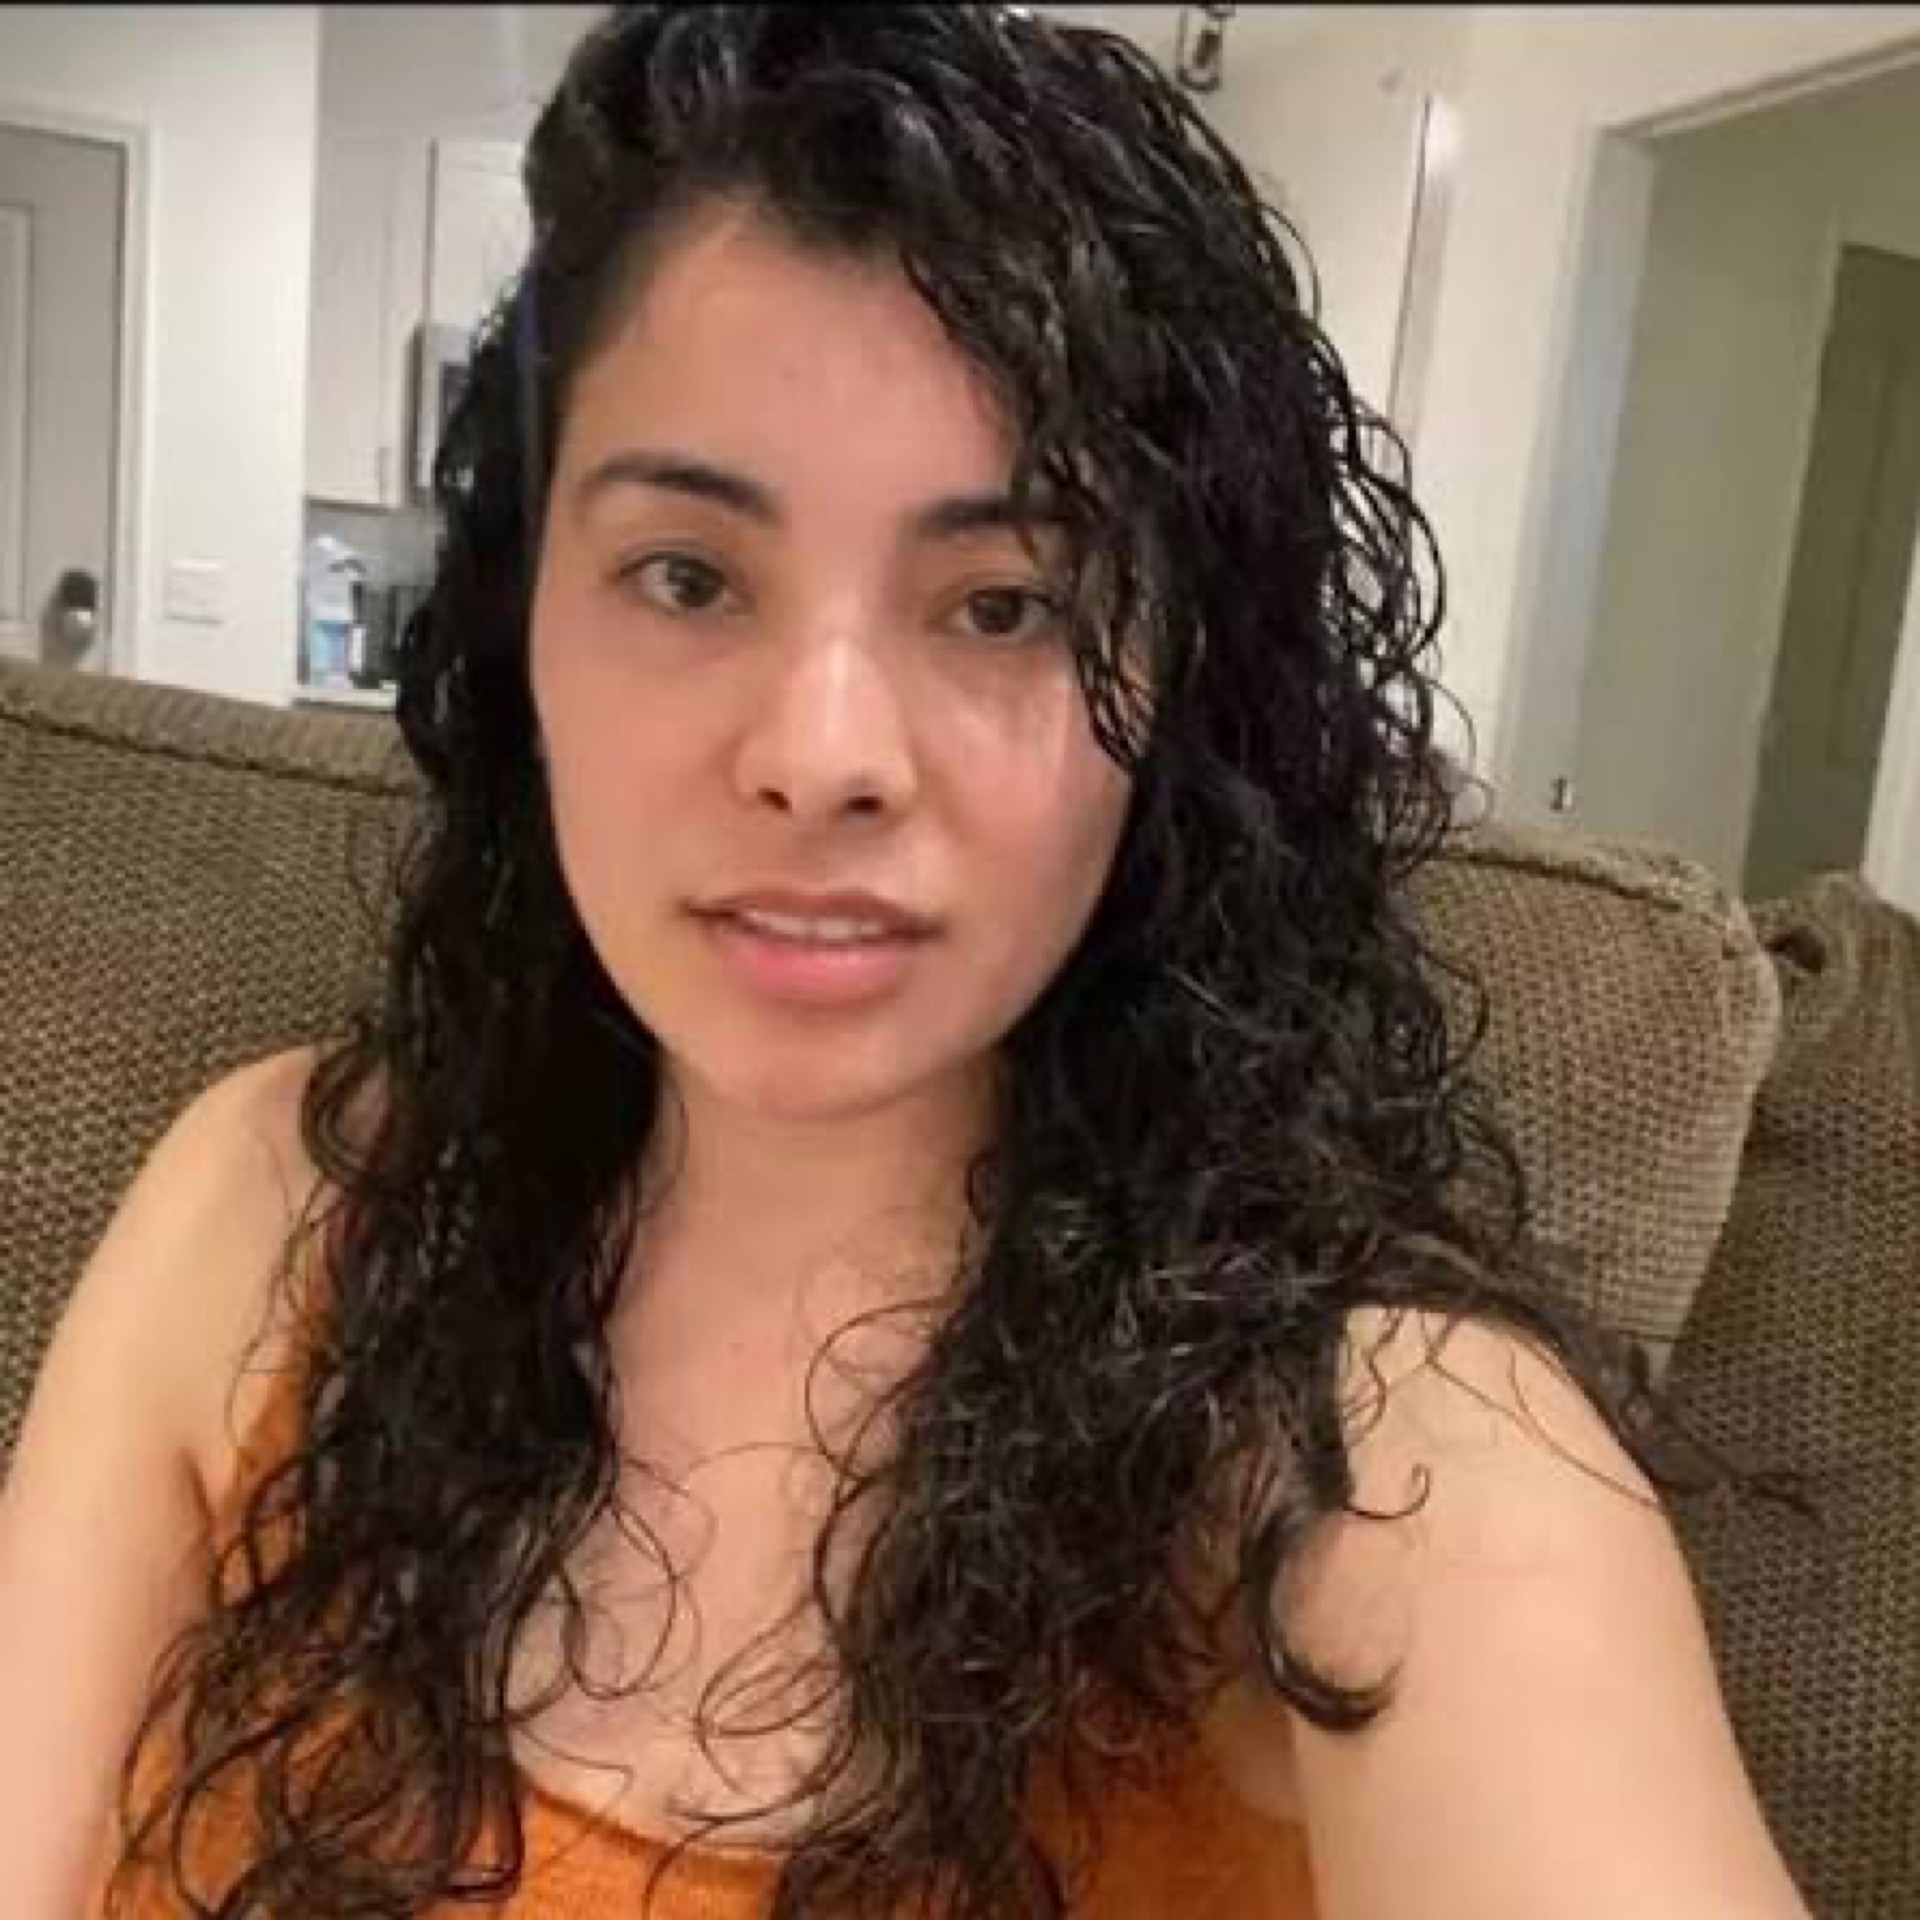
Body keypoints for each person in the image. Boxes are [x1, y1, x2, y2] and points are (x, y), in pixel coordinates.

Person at [0, 7, 1814, 1918]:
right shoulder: (268, 1206)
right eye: (688, 576)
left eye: (1002, 605)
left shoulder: (1396, 1471)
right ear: (526, 627)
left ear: (1177, 696)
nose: (823, 754)